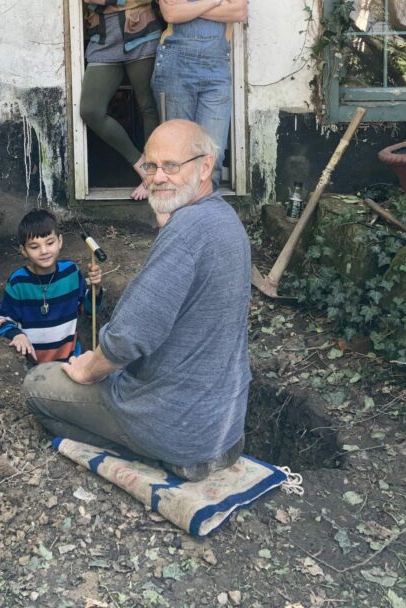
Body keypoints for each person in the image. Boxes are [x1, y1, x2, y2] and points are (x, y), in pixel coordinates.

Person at [22, 120, 251, 481]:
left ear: (206, 166)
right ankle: (173, 448)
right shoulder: (224, 218)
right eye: (150, 166)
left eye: (171, 166)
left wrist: (86, 369)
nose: (157, 177)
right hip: (224, 425)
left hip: (177, 429)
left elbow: (128, 338)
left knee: (38, 384)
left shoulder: (186, 234)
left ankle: (149, 453)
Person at [152, 0, 247, 189]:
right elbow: (171, 14)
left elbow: (239, 11)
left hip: (215, 74)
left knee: (211, 153)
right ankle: (180, 210)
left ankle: (206, 209)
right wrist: (215, 2)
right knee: (178, 152)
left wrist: (190, 6)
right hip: (175, 71)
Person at [79, 0, 160, 200]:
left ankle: (153, 175)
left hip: (142, 38)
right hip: (104, 42)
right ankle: (140, 164)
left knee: (147, 106)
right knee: (90, 110)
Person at [0, 209, 103, 364]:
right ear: (23, 250)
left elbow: (89, 310)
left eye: (50, 243)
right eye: (34, 247)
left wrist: (96, 289)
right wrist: (17, 335)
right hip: (34, 368)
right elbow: (1, 322)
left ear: (60, 241)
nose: (44, 251)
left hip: (72, 362)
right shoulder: (18, 282)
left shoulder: (71, 273)